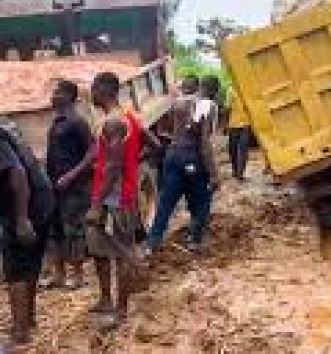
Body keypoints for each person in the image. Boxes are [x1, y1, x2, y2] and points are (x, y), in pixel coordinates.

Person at [84, 71, 159, 327]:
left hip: (116, 201)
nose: (90, 95)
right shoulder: (128, 117)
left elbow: (112, 167)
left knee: (121, 253)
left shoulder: (114, 123)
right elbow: (154, 144)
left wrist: (95, 205)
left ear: (101, 90)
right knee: (99, 250)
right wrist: (133, 162)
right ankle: (106, 300)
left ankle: (121, 309)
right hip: (111, 196)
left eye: (92, 89)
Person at [145, 74, 220, 255]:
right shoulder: (208, 106)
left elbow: (165, 131)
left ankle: (152, 244)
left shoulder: (177, 103)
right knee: (202, 199)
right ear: (214, 92)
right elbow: (205, 143)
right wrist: (214, 173)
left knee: (165, 202)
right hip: (192, 156)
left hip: (172, 155)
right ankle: (194, 240)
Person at [0, 122, 55, 347]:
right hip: (42, 201)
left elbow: (18, 174)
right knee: (29, 264)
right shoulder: (6, 130)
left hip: (26, 208)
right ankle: (28, 320)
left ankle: (19, 335)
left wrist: (22, 220)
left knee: (16, 270)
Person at [44, 80, 93, 290]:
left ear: (68, 96)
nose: (52, 96)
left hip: (75, 186)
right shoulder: (57, 121)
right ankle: (59, 274)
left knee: (74, 228)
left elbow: (92, 152)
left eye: (56, 92)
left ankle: (78, 276)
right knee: (55, 228)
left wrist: (71, 176)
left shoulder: (78, 122)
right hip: (55, 185)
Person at [227, 91, 252, 181]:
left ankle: (240, 173)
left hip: (245, 124)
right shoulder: (231, 91)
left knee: (243, 149)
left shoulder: (248, 90)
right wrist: (226, 124)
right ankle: (235, 170)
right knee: (233, 149)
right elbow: (228, 108)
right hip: (233, 124)